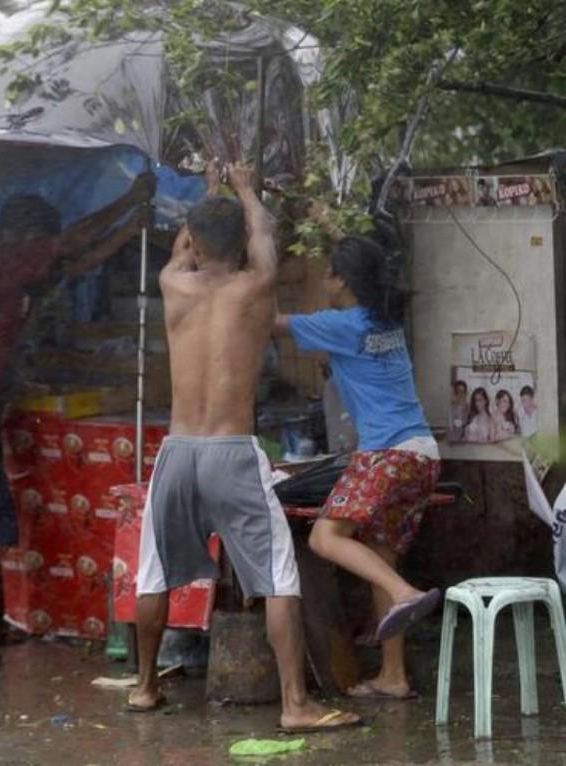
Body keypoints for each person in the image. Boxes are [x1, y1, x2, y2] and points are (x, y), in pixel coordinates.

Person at [129, 164, 360, 733]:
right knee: (279, 577)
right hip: (232, 451)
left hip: (178, 451)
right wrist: (246, 186)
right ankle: (294, 705)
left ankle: (143, 686)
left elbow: (191, 240)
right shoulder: (256, 287)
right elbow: (261, 238)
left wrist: (210, 189)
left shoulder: (171, 284)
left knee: (153, 575)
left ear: (192, 240)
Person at [0, 175, 155, 652]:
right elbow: (72, 244)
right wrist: (127, 200)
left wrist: (129, 227)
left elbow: (75, 263)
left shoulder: (13, 269)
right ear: (22, 238)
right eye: (41, 242)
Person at [274, 234, 441, 701]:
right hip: (422, 453)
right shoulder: (386, 320)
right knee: (380, 553)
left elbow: (267, 322)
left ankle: (404, 592)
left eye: (327, 271)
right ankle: (393, 675)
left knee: (325, 538)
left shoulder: (343, 324)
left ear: (342, 279)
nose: (323, 278)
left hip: (386, 453)